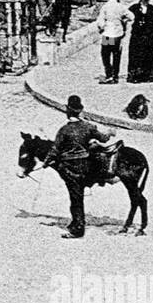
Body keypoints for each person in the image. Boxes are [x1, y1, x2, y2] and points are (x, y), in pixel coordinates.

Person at [46, 95, 110, 239]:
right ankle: (76, 222)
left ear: (68, 112)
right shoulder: (88, 126)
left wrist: (46, 162)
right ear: (80, 111)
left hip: (70, 168)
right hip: (86, 165)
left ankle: (78, 228)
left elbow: (55, 150)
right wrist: (110, 133)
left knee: (75, 198)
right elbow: (103, 138)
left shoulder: (64, 130)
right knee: (77, 196)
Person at [95, 0, 131, 84]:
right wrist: (124, 21)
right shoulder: (121, 6)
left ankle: (109, 74)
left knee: (105, 54)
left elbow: (100, 21)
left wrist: (101, 28)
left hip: (107, 34)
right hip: (117, 34)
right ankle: (115, 76)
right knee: (116, 55)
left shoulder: (105, 7)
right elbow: (131, 16)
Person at [125, 0, 153, 83]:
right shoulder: (134, 8)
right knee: (134, 56)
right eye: (143, 0)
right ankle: (133, 75)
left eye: (146, 0)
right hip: (137, 36)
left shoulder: (152, 9)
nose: (145, 2)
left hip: (148, 37)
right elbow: (126, 17)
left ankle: (145, 75)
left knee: (147, 56)